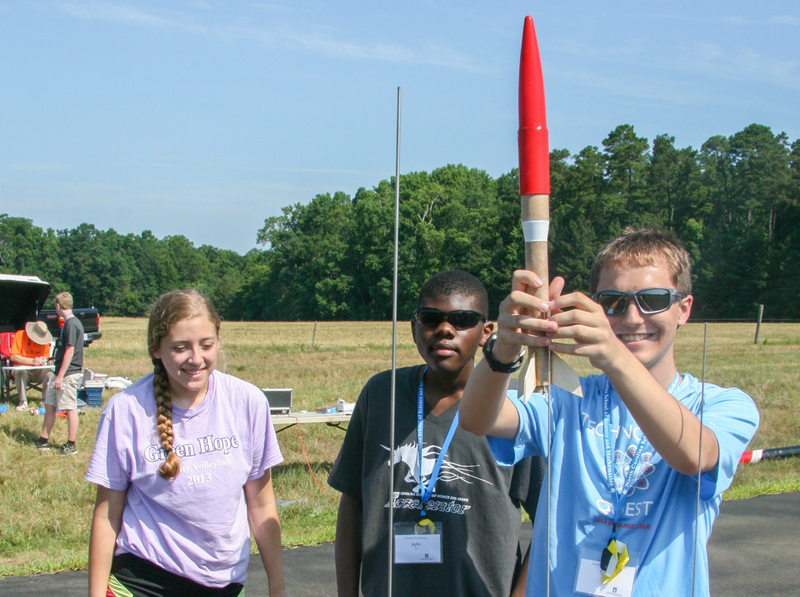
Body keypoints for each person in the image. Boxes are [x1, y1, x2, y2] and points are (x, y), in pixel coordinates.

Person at [459, 228, 760, 597]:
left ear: (683, 309)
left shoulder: (722, 404)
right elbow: (477, 419)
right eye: (614, 302)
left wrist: (614, 356)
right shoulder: (570, 399)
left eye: (653, 300)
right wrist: (504, 346)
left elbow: (695, 455)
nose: (632, 318)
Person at [329, 270, 544, 597]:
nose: (444, 329)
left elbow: (548, 521)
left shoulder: (516, 409)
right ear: (414, 328)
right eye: (430, 318)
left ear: (486, 332)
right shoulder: (382, 394)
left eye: (462, 319)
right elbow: (352, 504)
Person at [85, 289, 287, 597]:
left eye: (206, 345)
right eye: (181, 348)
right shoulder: (125, 410)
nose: (196, 358)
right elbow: (107, 514)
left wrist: (278, 587)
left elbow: (261, 506)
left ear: (218, 339)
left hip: (224, 585)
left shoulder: (248, 402)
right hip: (142, 582)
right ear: (156, 348)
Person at [34, 292, 84, 454]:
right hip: (59, 371)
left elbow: (70, 351)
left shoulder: (71, 324)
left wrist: (61, 376)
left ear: (57, 306)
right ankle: (43, 440)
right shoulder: (69, 323)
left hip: (68, 373)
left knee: (70, 407)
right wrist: (49, 359)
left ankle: (71, 445)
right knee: (49, 405)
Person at [9, 320, 53, 410]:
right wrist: (32, 361)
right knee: (20, 373)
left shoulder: (44, 341)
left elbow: (46, 356)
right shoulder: (20, 335)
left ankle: (45, 401)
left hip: (38, 370)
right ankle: (23, 401)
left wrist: (43, 360)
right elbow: (13, 357)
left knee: (50, 374)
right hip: (22, 368)